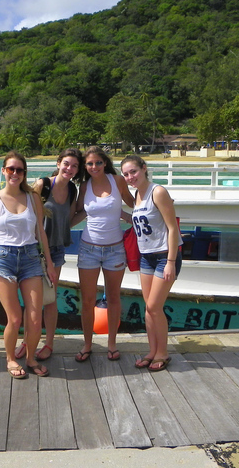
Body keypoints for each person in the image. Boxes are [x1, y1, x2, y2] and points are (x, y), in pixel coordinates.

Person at [0, 151, 56, 379]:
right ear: (4, 170)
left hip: (31, 258)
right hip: (2, 259)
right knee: (14, 318)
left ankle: (31, 357)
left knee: (34, 317)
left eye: (19, 170)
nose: (15, 173)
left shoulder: (33, 197)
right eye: (10, 169)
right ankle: (11, 358)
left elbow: (40, 232)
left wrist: (50, 264)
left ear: (25, 173)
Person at [14, 148, 84, 362]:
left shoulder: (73, 189)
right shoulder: (43, 185)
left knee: (50, 298)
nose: (69, 169)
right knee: (32, 299)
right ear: (58, 163)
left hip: (56, 249)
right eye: (66, 164)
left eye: (74, 166)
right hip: (35, 249)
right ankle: (27, 341)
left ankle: (49, 343)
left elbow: (71, 217)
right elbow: (29, 215)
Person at [72, 146, 134, 362]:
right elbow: (79, 211)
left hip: (115, 249)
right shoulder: (84, 185)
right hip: (88, 249)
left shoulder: (117, 181)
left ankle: (112, 344)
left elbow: (133, 201)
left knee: (114, 298)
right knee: (87, 300)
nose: (94, 167)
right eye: (89, 164)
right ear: (85, 167)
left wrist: (150, 209)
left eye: (98, 162)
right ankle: (87, 344)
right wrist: (57, 228)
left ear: (105, 163)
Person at [121, 154, 182, 372]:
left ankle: (163, 353)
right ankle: (152, 350)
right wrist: (120, 214)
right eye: (126, 174)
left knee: (155, 306)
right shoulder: (137, 195)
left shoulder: (158, 191)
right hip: (146, 256)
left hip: (164, 255)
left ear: (144, 168)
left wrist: (171, 262)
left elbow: (172, 228)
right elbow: (143, 222)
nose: (130, 177)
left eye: (133, 172)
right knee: (149, 308)